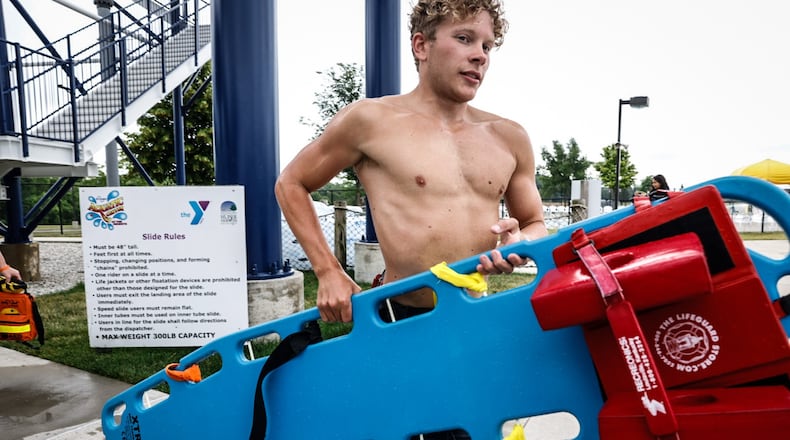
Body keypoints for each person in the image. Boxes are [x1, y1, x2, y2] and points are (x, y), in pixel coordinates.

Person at [276, 2, 546, 437]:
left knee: (479, 426)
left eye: (487, 46)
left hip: (474, 318)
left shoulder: (508, 136)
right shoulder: (371, 120)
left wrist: (520, 241)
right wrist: (328, 272)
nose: (479, 55)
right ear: (421, 45)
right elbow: (291, 183)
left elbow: (533, 221)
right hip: (398, 318)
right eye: (463, 39)